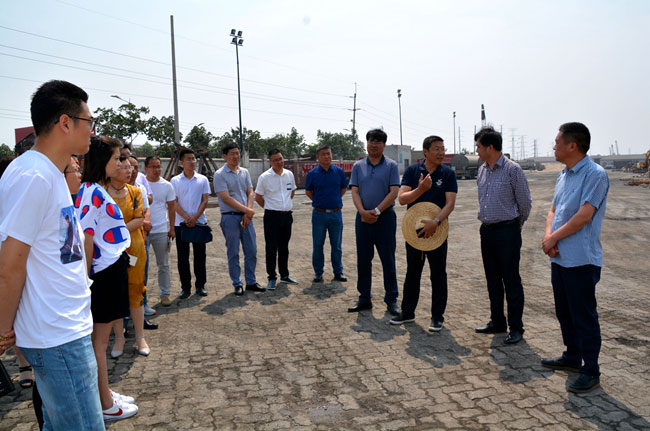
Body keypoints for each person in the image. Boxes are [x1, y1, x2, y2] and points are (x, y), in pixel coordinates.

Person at [0, 80, 106, 429]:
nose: (92, 131)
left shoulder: (48, 173)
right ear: (65, 123)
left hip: (64, 330)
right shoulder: (34, 175)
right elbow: (10, 264)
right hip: (57, 336)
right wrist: (2, 329)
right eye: (89, 122)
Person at [541, 122, 609, 393]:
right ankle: (572, 356)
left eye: (557, 142)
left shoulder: (595, 175)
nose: (554, 146)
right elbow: (553, 210)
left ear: (572, 145)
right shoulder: (563, 175)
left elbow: (583, 216)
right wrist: (549, 237)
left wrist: (553, 239)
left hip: (581, 259)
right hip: (560, 257)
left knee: (583, 316)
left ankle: (591, 369)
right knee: (564, 311)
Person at [76, 135, 138, 421]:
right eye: (116, 158)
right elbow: (86, 239)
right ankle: (104, 404)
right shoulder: (92, 192)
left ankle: (105, 393)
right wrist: (87, 280)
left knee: (99, 342)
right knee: (99, 343)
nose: (121, 163)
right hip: (102, 275)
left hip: (109, 271)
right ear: (103, 161)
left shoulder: (95, 190)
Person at [390, 136, 457, 332]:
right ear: (425, 152)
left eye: (443, 149)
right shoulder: (412, 171)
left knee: (438, 275)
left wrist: (435, 222)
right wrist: (420, 189)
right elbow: (402, 199)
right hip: (415, 232)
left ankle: (437, 317)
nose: (441, 153)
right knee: (413, 272)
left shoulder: (448, 174)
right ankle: (407, 313)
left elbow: (450, 204)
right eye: (437, 149)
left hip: (437, 230)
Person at [473, 126, 532, 345]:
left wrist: (516, 225)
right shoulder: (482, 170)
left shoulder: (512, 170)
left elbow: (525, 203)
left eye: (478, 146)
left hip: (507, 231)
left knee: (511, 280)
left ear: (490, 147)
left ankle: (516, 327)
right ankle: (497, 321)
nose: (476, 150)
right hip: (487, 231)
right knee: (492, 280)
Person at [347, 129, 400, 315]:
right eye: (371, 141)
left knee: (388, 259)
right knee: (363, 259)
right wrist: (362, 211)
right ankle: (364, 298)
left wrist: (377, 211)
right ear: (367, 143)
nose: (374, 145)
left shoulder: (391, 166)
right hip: (362, 218)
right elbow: (355, 191)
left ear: (384, 145)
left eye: (378, 142)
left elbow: (394, 192)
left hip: (385, 218)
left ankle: (391, 299)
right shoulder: (358, 166)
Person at [107, 157, 150, 357]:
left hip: (134, 248)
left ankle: (140, 337)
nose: (129, 171)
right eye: (124, 167)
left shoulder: (135, 192)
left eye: (131, 167)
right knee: (115, 292)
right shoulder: (102, 192)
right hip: (109, 250)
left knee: (136, 289)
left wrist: (116, 231)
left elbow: (140, 218)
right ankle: (119, 337)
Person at [213, 143, 265, 295]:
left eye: (237, 153)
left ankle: (251, 282)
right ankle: (237, 283)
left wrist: (247, 212)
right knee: (233, 252)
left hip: (246, 217)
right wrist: (247, 210)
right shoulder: (220, 174)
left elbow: (250, 192)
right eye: (232, 154)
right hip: (230, 217)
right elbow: (226, 198)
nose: (236, 156)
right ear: (225, 156)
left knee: (251, 250)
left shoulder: (244, 172)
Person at [254, 149, 298, 290]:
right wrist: (271, 207)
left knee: (284, 247)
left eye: (280, 159)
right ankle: (272, 277)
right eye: (275, 160)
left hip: (287, 216)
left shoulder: (289, 174)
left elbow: (292, 192)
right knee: (271, 247)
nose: (279, 162)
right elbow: (258, 197)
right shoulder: (264, 177)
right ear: (270, 162)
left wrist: (284, 206)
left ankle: (284, 275)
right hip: (272, 217)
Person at [171, 148, 211, 298]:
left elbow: (205, 200)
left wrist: (194, 218)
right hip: (181, 224)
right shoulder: (175, 181)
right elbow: (174, 202)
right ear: (181, 162)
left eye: (194, 158)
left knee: (200, 256)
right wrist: (187, 217)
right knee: (183, 257)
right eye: (188, 159)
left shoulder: (202, 179)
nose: (192, 161)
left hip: (199, 223)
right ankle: (185, 287)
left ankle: (200, 285)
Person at [305, 146, 349, 283]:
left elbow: (343, 189)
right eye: (323, 154)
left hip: (336, 214)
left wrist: (333, 200)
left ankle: (338, 272)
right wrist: (319, 201)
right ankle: (318, 272)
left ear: (332, 155)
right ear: (318, 157)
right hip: (319, 214)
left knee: (336, 245)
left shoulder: (339, 172)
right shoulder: (312, 174)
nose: (326, 156)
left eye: (328, 154)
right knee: (318, 244)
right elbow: (308, 191)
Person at [144, 156, 176, 306]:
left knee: (163, 264)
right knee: (141, 266)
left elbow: (171, 208)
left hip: (161, 230)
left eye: (158, 166)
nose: (156, 170)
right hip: (143, 231)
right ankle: (141, 297)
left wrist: (172, 228)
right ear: (146, 168)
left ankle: (165, 293)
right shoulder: (140, 184)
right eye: (153, 167)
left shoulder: (167, 186)